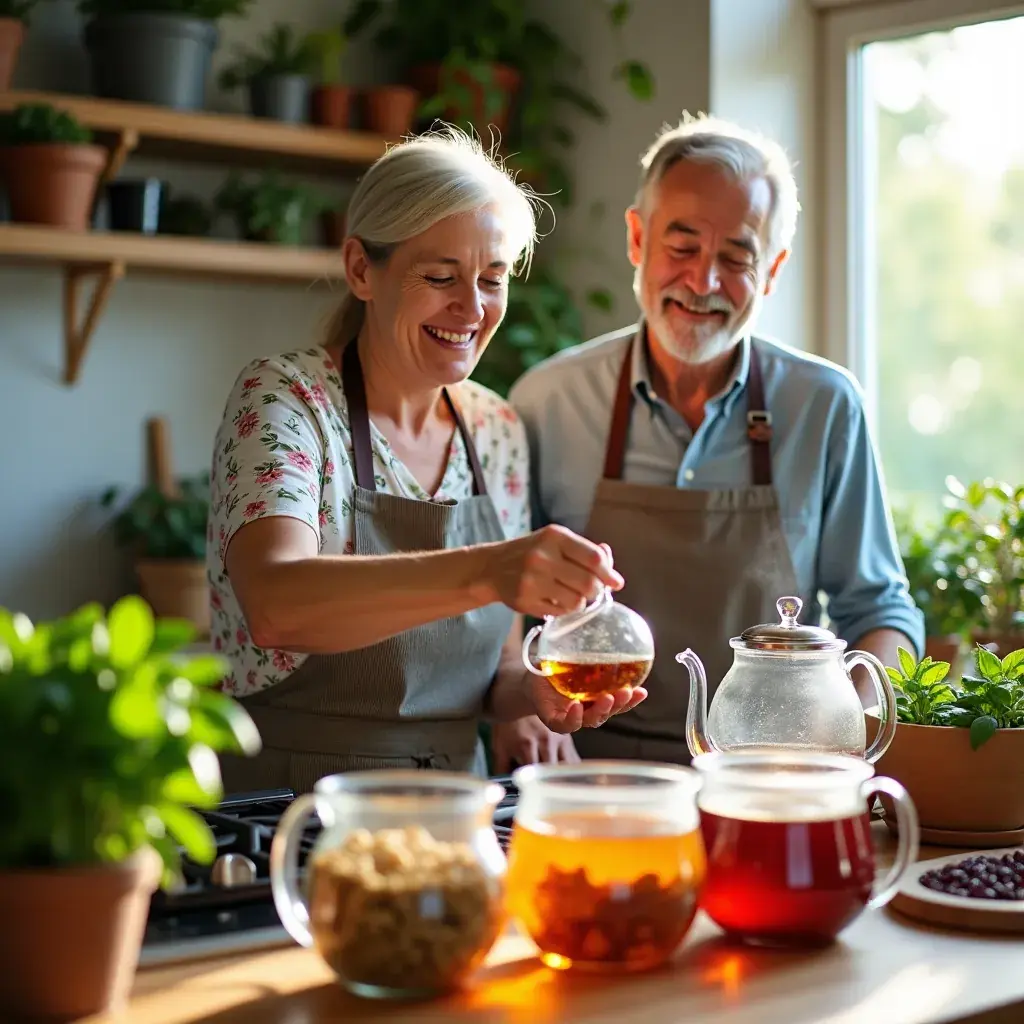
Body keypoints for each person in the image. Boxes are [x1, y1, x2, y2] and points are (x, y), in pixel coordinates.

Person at [206, 128, 646, 794]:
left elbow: (495, 672)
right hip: (290, 803)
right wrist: (491, 568)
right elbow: (276, 602)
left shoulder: (494, 428)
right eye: (440, 277)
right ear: (361, 270)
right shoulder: (286, 400)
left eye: (492, 281)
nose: (471, 309)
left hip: (456, 805)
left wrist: (533, 695)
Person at [508, 113, 924, 765]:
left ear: (774, 269)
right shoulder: (547, 402)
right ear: (638, 240)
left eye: (736, 257)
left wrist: (846, 721)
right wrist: (518, 703)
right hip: (587, 773)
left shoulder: (824, 405)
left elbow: (880, 609)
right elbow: (502, 605)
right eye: (682, 247)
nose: (703, 282)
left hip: (766, 776)